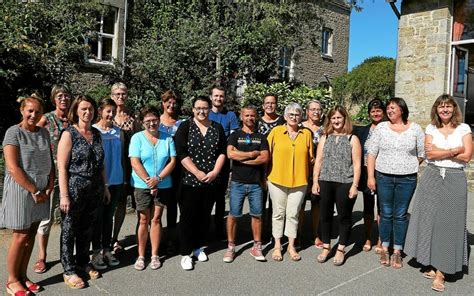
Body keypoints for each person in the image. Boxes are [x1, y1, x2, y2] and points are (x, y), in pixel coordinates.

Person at [404, 94, 472, 292]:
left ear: (454, 109)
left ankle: (442, 271)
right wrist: (453, 150)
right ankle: (431, 260)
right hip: (432, 176)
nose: (444, 110)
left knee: (449, 223)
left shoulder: (464, 128)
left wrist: (442, 150)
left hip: (454, 177)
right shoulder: (432, 128)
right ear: (436, 109)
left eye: (448, 106)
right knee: (428, 220)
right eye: (441, 106)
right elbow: (430, 154)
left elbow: (467, 156)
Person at [1, 96, 54, 295]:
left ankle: (23, 276)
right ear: (22, 110)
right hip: (22, 189)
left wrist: (49, 185)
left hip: (41, 189)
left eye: (38, 111)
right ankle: (12, 280)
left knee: (31, 233)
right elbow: (13, 168)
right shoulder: (13, 133)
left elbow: (51, 162)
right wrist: (35, 190)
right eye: (30, 110)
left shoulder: (44, 133)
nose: (33, 114)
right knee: (20, 235)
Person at [57, 95, 109, 289]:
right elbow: (62, 167)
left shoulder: (96, 134)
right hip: (74, 189)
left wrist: (105, 187)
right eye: (83, 109)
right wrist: (64, 195)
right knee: (69, 229)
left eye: (91, 109)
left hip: (94, 188)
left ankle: (82, 262)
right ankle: (69, 269)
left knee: (87, 229)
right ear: (76, 111)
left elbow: (101, 163)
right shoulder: (69, 134)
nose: (88, 112)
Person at [367, 97, 425, 269]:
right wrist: (371, 177)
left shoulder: (415, 129)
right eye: (389, 108)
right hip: (383, 177)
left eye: (393, 108)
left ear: (402, 109)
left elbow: (422, 153)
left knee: (400, 214)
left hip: (407, 179)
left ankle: (398, 250)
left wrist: (408, 165)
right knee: (385, 213)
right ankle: (385, 247)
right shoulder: (382, 128)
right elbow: (371, 153)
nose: (390, 110)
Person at [174, 96, 226, 270]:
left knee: (204, 216)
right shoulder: (185, 127)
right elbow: (181, 153)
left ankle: (198, 247)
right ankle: (185, 253)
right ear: (193, 109)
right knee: (188, 218)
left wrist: (215, 172)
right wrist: (196, 172)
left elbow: (222, 152)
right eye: (198, 108)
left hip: (210, 181)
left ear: (209, 109)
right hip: (190, 181)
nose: (201, 111)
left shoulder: (217, 128)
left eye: (205, 108)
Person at [312, 105, 361, 266]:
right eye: (333, 118)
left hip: (345, 182)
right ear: (330, 120)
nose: (336, 121)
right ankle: (326, 246)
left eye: (339, 117)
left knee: (344, 217)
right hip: (325, 181)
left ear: (344, 118)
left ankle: (341, 248)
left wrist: (354, 185)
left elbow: (357, 164)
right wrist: (315, 182)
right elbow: (318, 161)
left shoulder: (352, 138)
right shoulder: (325, 137)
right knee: (325, 216)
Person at [129, 106, 176, 271]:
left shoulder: (168, 138)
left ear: (159, 120)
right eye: (147, 121)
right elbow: (135, 161)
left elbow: (172, 161)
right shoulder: (137, 138)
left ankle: (155, 254)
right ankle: (141, 255)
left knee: (156, 219)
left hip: (163, 184)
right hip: (142, 185)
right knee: (143, 219)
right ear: (142, 122)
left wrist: (159, 179)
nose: (152, 123)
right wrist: (149, 181)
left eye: (154, 120)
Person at [267, 103, 313, 261]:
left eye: (297, 114)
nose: (294, 117)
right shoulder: (276, 131)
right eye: (291, 114)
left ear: (301, 117)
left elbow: (311, 158)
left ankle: (291, 246)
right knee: (278, 214)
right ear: (285, 116)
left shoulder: (306, 134)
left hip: (299, 181)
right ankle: (277, 246)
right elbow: (267, 154)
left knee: (293, 214)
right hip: (277, 180)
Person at [223, 105, 269, 263]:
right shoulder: (235, 135)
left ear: (256, 117)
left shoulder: (261, 137)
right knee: (234, 215)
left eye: (252, 116)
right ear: (241, 117)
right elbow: (230, 154)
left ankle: (257, 246)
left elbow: (264, 158)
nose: (250, 118)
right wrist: (250, 154)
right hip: (237, 183)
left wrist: (241, 158)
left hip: (256, 183)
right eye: (247, 115)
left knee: (257, 215)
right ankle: (231, 246)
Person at [34, 85, 71, 274]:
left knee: (70, 217)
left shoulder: (74, 119)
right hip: (52, 174)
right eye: (59, 96)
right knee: (46, 218)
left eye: (66, 95)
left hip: (72, 174)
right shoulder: (47, 119)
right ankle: (42, 256)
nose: (63, 99)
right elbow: (30, 132)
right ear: (54, 99)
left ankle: (68, 255)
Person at [90, 98, 125, 270]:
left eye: (113, 111)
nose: (111, 115)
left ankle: (106, 250)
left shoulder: (119, 132)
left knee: (109, 217)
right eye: (108, 111)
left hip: (117, 180)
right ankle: (95, 253)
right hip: (100, 182)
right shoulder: (93, 131)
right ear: (101, 111)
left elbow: (122, 156)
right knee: (97, 218)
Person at [110, 82, 141, 253]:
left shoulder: (133, 119)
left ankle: (115, 239)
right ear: (112, 95)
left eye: (123, 93)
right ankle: (105, 239)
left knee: (121, 204)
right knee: (108, 205)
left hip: (128, 167)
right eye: (117, 94)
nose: (120, 97)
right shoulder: (107, 116)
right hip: (110, 167)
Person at [352, 98, 385, 253]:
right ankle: (367, 237)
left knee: (383, 208)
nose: (376, 113)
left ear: (383, 112)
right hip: (366, 173)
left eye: (378, 111)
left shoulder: (388, 129)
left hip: (384, 172)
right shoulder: (362, 130)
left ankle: (380, 239)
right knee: (368, 206)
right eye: (373, 111)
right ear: (369, 113)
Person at [208, 85, 239, 238]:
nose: (218, 98)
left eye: (221, 96)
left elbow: (233, 138)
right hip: (206, 161)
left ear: (224, 98)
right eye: (216, 96)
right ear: (211, 97)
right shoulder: (205, 113)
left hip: (224, 161)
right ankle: (204, 226)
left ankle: (219, 228)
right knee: (205, 195)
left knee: (220, 196)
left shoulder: (230, 116)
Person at [256, 93, 285, 240]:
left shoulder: (282, 121)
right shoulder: (256, 121)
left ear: (276, 105)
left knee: (276, 203)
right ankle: (260, 234)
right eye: (267, 103)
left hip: (277, 165)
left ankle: (276, 234)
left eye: (273, 103)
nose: (270, 105)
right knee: (260, 200)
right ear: (263, 105)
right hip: (259, 166)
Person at [158, 90, 183, 254]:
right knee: (157, 206)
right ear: (163, 103)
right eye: (168, 102)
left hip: (176, 170)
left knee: (173, 205)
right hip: (157, 170)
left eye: (174, 103)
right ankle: (156, 240)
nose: (171, 105)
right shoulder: (155, 121)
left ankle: (171, 240)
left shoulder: (181, 124)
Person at [298, 100, 324, 249]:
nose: (316, 112)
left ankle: (315, 234)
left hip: (319, 172)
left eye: (318, 110)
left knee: (316, 203)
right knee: (300, 205)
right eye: (313, 109)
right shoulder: (300, 127)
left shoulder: (325, 128)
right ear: (307, 111)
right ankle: (298, 235)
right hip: (302, 170)